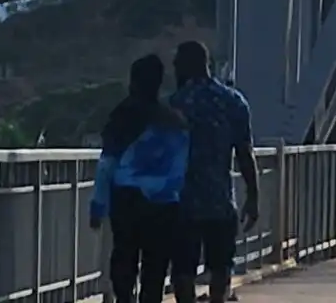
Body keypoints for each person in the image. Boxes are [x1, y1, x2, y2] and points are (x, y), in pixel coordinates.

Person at [90, 54, 190, 303]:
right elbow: (181, 167)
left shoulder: (123, 115)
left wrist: (98, 205)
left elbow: (107, 164)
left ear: (133, 81)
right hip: (165, 203)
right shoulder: (174, 119)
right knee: (155, 267)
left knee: (124, 259)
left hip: (127, 200)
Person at [168, 41, 257, 303]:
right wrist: (252, 196)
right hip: (219, 201)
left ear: (185, 66)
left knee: (183, 269)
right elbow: (244, 153)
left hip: (182, 203)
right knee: (221, 265)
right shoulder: (233, 101)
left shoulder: (174, 104)